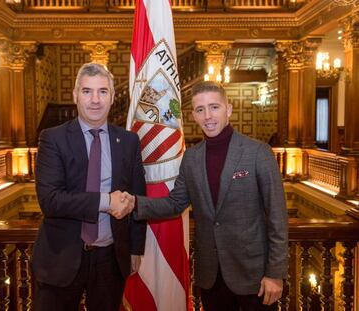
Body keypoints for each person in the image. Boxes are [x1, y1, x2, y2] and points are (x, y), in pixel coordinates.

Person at [118, 81, 288, 310]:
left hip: (254, 277)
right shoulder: (191, 158)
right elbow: (175, 203)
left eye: (214, 107)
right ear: (193, 116)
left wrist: (275, 273)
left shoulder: (258, 152)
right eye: (200, 110)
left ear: (228, 109)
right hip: (211, 277)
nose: (208, 116)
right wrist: (133, 203)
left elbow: (278, 217)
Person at [31, 62, 146, 311]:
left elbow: (137, 197)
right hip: (60, 258)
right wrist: (107, 201)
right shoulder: (53, 138)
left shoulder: (128, 141)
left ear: (113, 97)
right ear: (75, 96)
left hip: (110, 259)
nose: (95, 100)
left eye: (103, 91)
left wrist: (136, 248)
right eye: (87, 91)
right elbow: (50, 201)